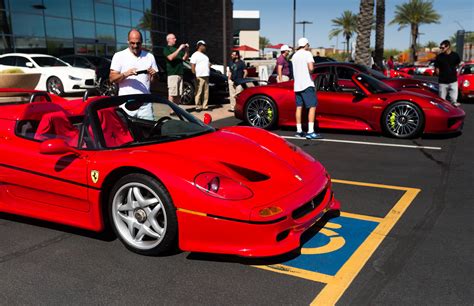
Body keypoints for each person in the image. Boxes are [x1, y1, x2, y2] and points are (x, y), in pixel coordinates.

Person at [109, 29, 158, 120]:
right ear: (128, 41)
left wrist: (154, 75)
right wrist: (125, 74)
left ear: (142, 42)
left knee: (148, 132)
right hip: (126, 104)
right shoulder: (119, 56)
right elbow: (112, 78)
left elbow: (153, 81)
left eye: (138, 43)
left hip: (145, 104)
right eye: (132, 43)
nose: (135, 46)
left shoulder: (149, 56)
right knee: (127, 132)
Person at [292, 37, 322, 139]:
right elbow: (311, 68)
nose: (309, 46)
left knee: (299, 107)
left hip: (297, 85)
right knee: (312, 106)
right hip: (307, 84)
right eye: (308, 45)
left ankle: (299, 131)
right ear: (305, 45)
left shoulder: (294, 56)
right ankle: (310, 131)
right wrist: (312, 71)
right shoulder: (307, 54)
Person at [163, 33, 189, 105]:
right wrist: (180, 48)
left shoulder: (176, 49)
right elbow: (170, 58)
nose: (175, 39)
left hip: (180, 74)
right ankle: (172, 110)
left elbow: (184, 58)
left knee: (179, 94)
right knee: (172, 93)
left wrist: (187, 50)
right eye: (173, 38)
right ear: (168, 40)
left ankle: (176, 110)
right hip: (172, 74)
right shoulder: (166, 49)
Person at [434, 40, 461, 106]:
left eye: (442, 48)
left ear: (448, 46)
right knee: (441, 101)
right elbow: (436, 68)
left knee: (454, 102)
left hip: (453, 81)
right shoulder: (439, 57)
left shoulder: (455, 55)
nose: (441, 49)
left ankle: (454, 114)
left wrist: (452, 71)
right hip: (442, 82)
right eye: (440, 48)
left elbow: (458, 64)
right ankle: (442, 115)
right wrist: (439, 74)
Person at [190, 40, 210, 111]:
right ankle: (198, 106)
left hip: (206, 76)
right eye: (204, 46)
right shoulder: (195, 55)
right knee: (198, 92)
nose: (205, 47)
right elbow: (192, 65)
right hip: (199, 76)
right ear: (199, 46)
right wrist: (194, 75)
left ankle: (205, 106)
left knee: (206, 92)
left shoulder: (205, 56)